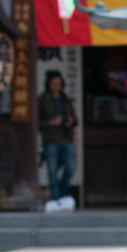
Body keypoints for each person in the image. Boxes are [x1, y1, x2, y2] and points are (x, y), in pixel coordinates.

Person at [38, 70, 78, 203]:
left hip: (66, 138)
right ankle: (56, 198)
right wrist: (51, 122)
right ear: (49, 84)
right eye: (54, 84)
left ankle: (60, 192)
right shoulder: (43, 99)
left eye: (59, 84)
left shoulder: (65, 99)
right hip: (51, 139)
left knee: (70, 168)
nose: (56, 86)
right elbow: (37, 122)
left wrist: (70, 121)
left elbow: (75, 119)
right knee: (52, 171)